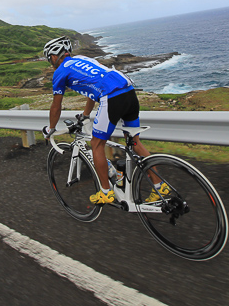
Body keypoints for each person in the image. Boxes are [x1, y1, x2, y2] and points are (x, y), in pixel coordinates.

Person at [41, 36, 168, 204]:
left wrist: (50, 128)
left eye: (49, 58)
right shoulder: (82, 59)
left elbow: (56, 105)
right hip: (128, 90)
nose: (50, 62)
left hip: (112, 96)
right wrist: (86, 115)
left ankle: (105, 192)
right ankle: (160, 186)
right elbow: (93, 88)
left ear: (56, 55)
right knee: (135, 142)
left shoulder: (60, 72)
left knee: (96, 144)